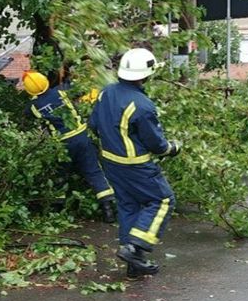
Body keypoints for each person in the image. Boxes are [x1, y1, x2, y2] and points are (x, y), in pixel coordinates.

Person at [88, 48, 180, 278]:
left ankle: (133, 265)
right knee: (163, 200)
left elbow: (93, 125)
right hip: (136, 166)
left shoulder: (106, 93)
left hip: (110, 162)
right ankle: (136, 248)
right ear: (146, 75)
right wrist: (172, 148)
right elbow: (156, 144)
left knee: (129, 206)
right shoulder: (142, 104)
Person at [22, 70, 116, 223]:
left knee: (59, 175)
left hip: (62, 145)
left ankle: (56, 212)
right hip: (81, 136)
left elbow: (29, 116)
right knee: (93, 171)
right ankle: (108, 210)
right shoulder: (61, 93)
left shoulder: (32, 107)